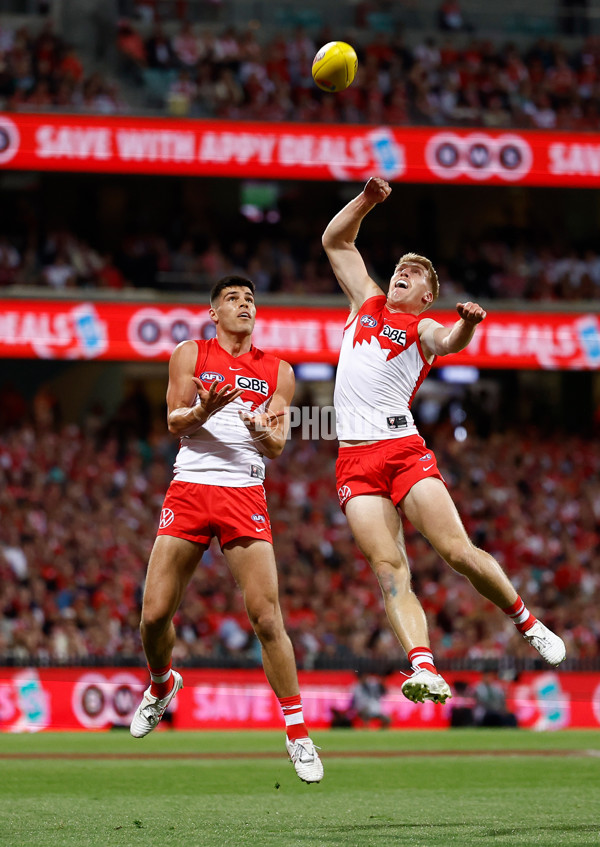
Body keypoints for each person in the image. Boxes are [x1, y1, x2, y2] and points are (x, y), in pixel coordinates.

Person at [321, 177, 566, 706]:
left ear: (428, 294)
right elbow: (336, 242)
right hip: (354, 462)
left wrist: (467, 327)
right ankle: (425, 669)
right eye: (399, 270)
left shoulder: (423, 326)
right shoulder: (365, 302)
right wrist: (366, 201)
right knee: (390, 571)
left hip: (402, 450)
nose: (400, 276)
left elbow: (448, 342)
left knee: (457, 552)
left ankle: (526, 621)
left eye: (412, 274)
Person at [130, 274, 323, 784]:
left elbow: (279, 445)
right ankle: (160, 684)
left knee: (266, 616)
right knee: (152, 617)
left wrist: (264, 431)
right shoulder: (189, 354)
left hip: (244, 490)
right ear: (213, 313)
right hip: (191, 486)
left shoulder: (278, 370)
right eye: (233, 299)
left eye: (250, 299)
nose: (244, 305)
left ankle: (298, 733)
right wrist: (202, 410)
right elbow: (174, 422)